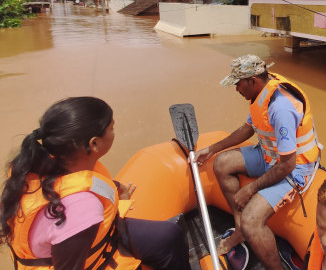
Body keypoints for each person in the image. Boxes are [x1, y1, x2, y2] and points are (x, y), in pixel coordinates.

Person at [0, 97, 190, 270]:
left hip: (97, 239)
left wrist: (119, 202)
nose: (114, 131)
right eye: (111, 128)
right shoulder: (81, 209)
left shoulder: (39, 164)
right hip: (88, 256)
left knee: (169, 236)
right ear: (94, 144)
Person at [195, 54, 321, 270]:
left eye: (238, 84)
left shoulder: (281, 108)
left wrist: (250, 188)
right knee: (222, 163)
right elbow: (248, 128)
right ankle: (239, 227)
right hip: (269, 155)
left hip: (295, 167)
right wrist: (212, 149)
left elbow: (287, 165)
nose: (236, 90)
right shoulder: (261, 92)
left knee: (252, 219)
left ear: (253, 81)